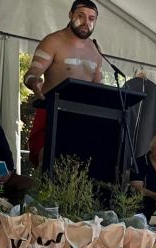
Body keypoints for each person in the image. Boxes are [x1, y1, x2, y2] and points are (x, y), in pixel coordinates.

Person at [23, 0, 102, 167]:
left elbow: (98, 86)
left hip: (82, 119)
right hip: (52, 113)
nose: (86, 22)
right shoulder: (53, 41)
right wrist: (35, 82)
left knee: (79, 170)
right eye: (81, 16)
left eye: (91, 18)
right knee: (49, 163)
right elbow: (32, 73)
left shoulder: (95, 49)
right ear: (70, 15)